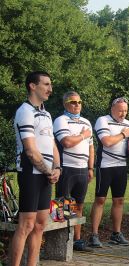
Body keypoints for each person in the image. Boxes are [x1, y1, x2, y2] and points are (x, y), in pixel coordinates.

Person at [11, 71, 61, 266]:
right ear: (33, 86)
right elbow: (31, 151)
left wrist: (57, 168)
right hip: (30, 173)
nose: (50, 89)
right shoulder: (25, 111)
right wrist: (49, 171)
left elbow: (53, 145)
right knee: (26, 225)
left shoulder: (47, 114)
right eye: (46, 84)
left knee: (40, 225)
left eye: (50, 84)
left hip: (47, 175)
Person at [88, 97, 129, 247]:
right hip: (105, 166)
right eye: (120, 110)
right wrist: (123, 135)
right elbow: (106, 142)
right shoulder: (103, 120)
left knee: (119, 200)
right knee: (100, 200)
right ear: (112, 109)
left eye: (126, 111)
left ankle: (116, 234)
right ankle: (94, 235)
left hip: (121, 166)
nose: (123, 114)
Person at [53, 91, 94, 252]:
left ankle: (77, 240)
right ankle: (59, 242)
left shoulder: (86, 121)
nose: (77, 105)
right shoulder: (61, 120)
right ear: (65, 104)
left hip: (83, 169)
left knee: (79, 205)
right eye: (73, 102)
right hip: (66, 167)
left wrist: (91, 167)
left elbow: (92, 147)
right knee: (63, 205)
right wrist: (83, 135)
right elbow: (67, 142)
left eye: (79, 102)